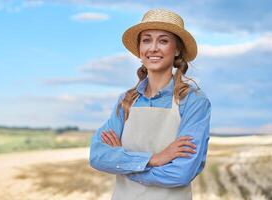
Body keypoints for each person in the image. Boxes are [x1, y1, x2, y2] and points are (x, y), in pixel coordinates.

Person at [89, 8, 211, 200]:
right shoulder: (126, 101)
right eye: (146, 40)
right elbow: (97, 155)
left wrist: (124, 164)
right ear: (139, 50)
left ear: (177, 49)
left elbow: (182, 172)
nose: (153, 48)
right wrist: (153, 159)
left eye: (163, 41)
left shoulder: (194, 101)